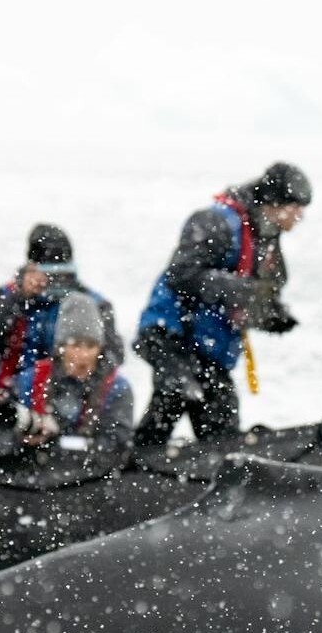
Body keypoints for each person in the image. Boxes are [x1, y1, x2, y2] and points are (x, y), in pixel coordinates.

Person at [132, 162, 311, 448]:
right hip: (171, 337)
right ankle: (130, 476)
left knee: (222, 433)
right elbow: (182, 275)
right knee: (173, 401)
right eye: (295, 207)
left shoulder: (265, 239)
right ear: (274, 203)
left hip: (210, 349)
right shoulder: (214, 222)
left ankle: (149, 473)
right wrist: (246, 292)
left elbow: (255, 296)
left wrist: (272, 316)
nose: (300, 216)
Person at [0, 223, 124, 402]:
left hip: (77, 400)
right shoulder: (12, 296)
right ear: (31, 268)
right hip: (16, 399)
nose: (55, 283)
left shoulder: (92, 305)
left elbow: (115, 355)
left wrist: (76, 371)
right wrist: (18, 298)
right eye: (49, 275)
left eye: (63, 275)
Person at [0, 291, 134, 467]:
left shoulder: (117, 388)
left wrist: (58, 444)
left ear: (100, 348)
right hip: (37, 475)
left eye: (90, 346)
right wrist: (23, 439)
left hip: (92, 477)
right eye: (75, 345)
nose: (83, 355)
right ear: (60, 347)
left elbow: (117, 446)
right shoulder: (31, 379)